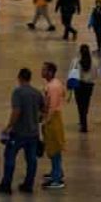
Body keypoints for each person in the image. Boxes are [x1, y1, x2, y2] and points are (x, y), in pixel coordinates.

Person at [0, 68, 42, 193]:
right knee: (31, 160)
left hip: (19, 133)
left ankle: (6, 184)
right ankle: (28, 185)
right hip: (33, 133)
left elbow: (16, 111)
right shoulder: (37, 93)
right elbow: (43, 110)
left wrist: (9, 127)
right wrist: (35, 120)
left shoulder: (18, 93)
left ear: (20, 78)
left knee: (10, 157)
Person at [39, 60, 68, 190]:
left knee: (54, 148)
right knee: (52, 147)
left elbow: (52, 106)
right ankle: (56, 172)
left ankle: (57, 179)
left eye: (44, 69)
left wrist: (46, 121)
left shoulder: (53, 87)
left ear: (50, 72)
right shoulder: (53, 84)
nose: (42, 71)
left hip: (53, 120)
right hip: (52, 118)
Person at [70, 44, 96, 133]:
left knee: (80, 105)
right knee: (86, 103)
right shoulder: (94, 62)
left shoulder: (76, 61)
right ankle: (83, 118)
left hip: (79, 85)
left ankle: (82, 121)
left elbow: (73, 74)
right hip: (89, 85)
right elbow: (95, 74)